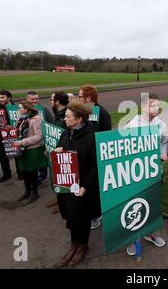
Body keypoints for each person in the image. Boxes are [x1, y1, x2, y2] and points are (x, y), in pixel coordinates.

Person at [54, 102, 100, 267]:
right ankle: (74, 243)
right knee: (71, 216)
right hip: (66, 184)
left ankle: (83, 246)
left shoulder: (90, 137)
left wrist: (85, 186)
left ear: (79, 119)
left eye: (68, 116)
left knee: (82, 217)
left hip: (82, 188)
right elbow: (61, 147)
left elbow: (96, 165)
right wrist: (58, 150)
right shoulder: (67, 132)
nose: (64, 119)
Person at [124, 92, 168, 255]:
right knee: (133, 206)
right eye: (152, 104)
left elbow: (164, 143)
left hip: (155, 173)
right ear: (143, 106)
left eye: (157, 104)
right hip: (135, 175)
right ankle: (131, 238)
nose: (156, 107)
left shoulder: (161, 124)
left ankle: (151, 233)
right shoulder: (132, 124)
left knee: (151, 203)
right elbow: (124, 147)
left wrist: (164, 154)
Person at [78, 84, 112, 230]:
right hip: (83, 157)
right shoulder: (82, 112)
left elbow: (106, 139)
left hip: (96, 159)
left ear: (88, 98)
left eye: (80, 96)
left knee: (94, 189)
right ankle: (88, 211)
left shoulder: (103, 114)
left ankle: (97, 215)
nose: (78, 98)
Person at [13, 101, 47, 204]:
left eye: (20, 108)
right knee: (24, 171)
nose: (18, 110)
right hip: (22, 149)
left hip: (33, 149)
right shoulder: (22, 119)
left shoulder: (36, 119)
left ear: (27, 109)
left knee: (32, 172)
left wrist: (22, 142)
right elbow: (19, 131)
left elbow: (39, 136)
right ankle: (27, 191)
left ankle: (34, 192)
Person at [46, 91, 69, 214]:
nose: (50, 102)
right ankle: (59, 198)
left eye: (52, 99)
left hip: (64, 153)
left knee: (64, 177)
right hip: (57, 150)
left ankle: (62, 203)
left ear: (57, 102)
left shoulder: (66, 115)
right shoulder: (58, 113)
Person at [27, 90, 53, 184]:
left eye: (36, 98)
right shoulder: (24, 109)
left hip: (42, 140)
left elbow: (51, 122)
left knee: (42, 160)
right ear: (27, 100)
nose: (35, 101)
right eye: (32, 99)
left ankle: (41, 177)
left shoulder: (43, 109)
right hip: (30, 140)